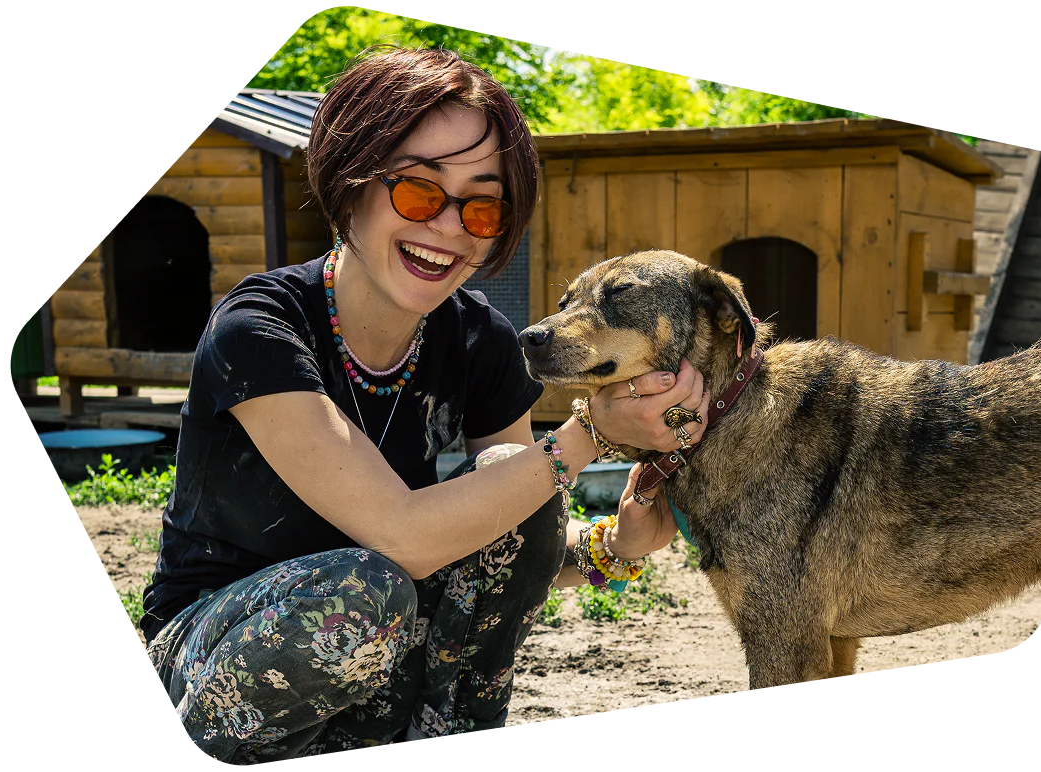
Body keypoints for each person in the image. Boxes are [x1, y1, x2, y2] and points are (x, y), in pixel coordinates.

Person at [140, 45, 710, 765]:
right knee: (369, 586)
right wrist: (591, 431)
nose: (448, 225)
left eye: (481, 203)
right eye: (417, 190)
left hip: (378, 657)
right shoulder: (258, 329)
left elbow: (505, 542)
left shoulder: (480, 343)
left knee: (514, 476)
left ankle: (456, 742)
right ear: (351, 186)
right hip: (215, 663)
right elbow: (402, 539)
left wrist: (612, 549)